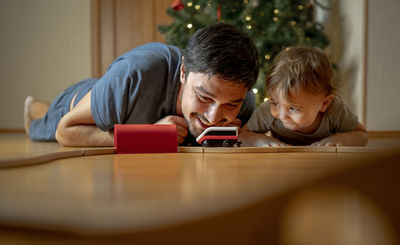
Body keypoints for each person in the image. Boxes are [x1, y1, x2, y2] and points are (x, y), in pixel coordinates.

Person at [24, 23, 259, 147]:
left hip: (116, 98)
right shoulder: (136, 72)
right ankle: (34, 106)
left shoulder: (244, 100)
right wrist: (148, 136)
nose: (213, 116)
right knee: (42, 121)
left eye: (229, 104)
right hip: (77, 102)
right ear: (184, 72)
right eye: (204, 97)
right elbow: (65, 131)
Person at [239, 46, 368, 147]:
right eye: (276, 103)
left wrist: (340, 140)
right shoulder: (266, 111)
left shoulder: (335, 110)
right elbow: (243, 135)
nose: (282, 115)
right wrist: (259, 141)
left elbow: (362, 135)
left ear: (324, 104)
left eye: (293, 108)